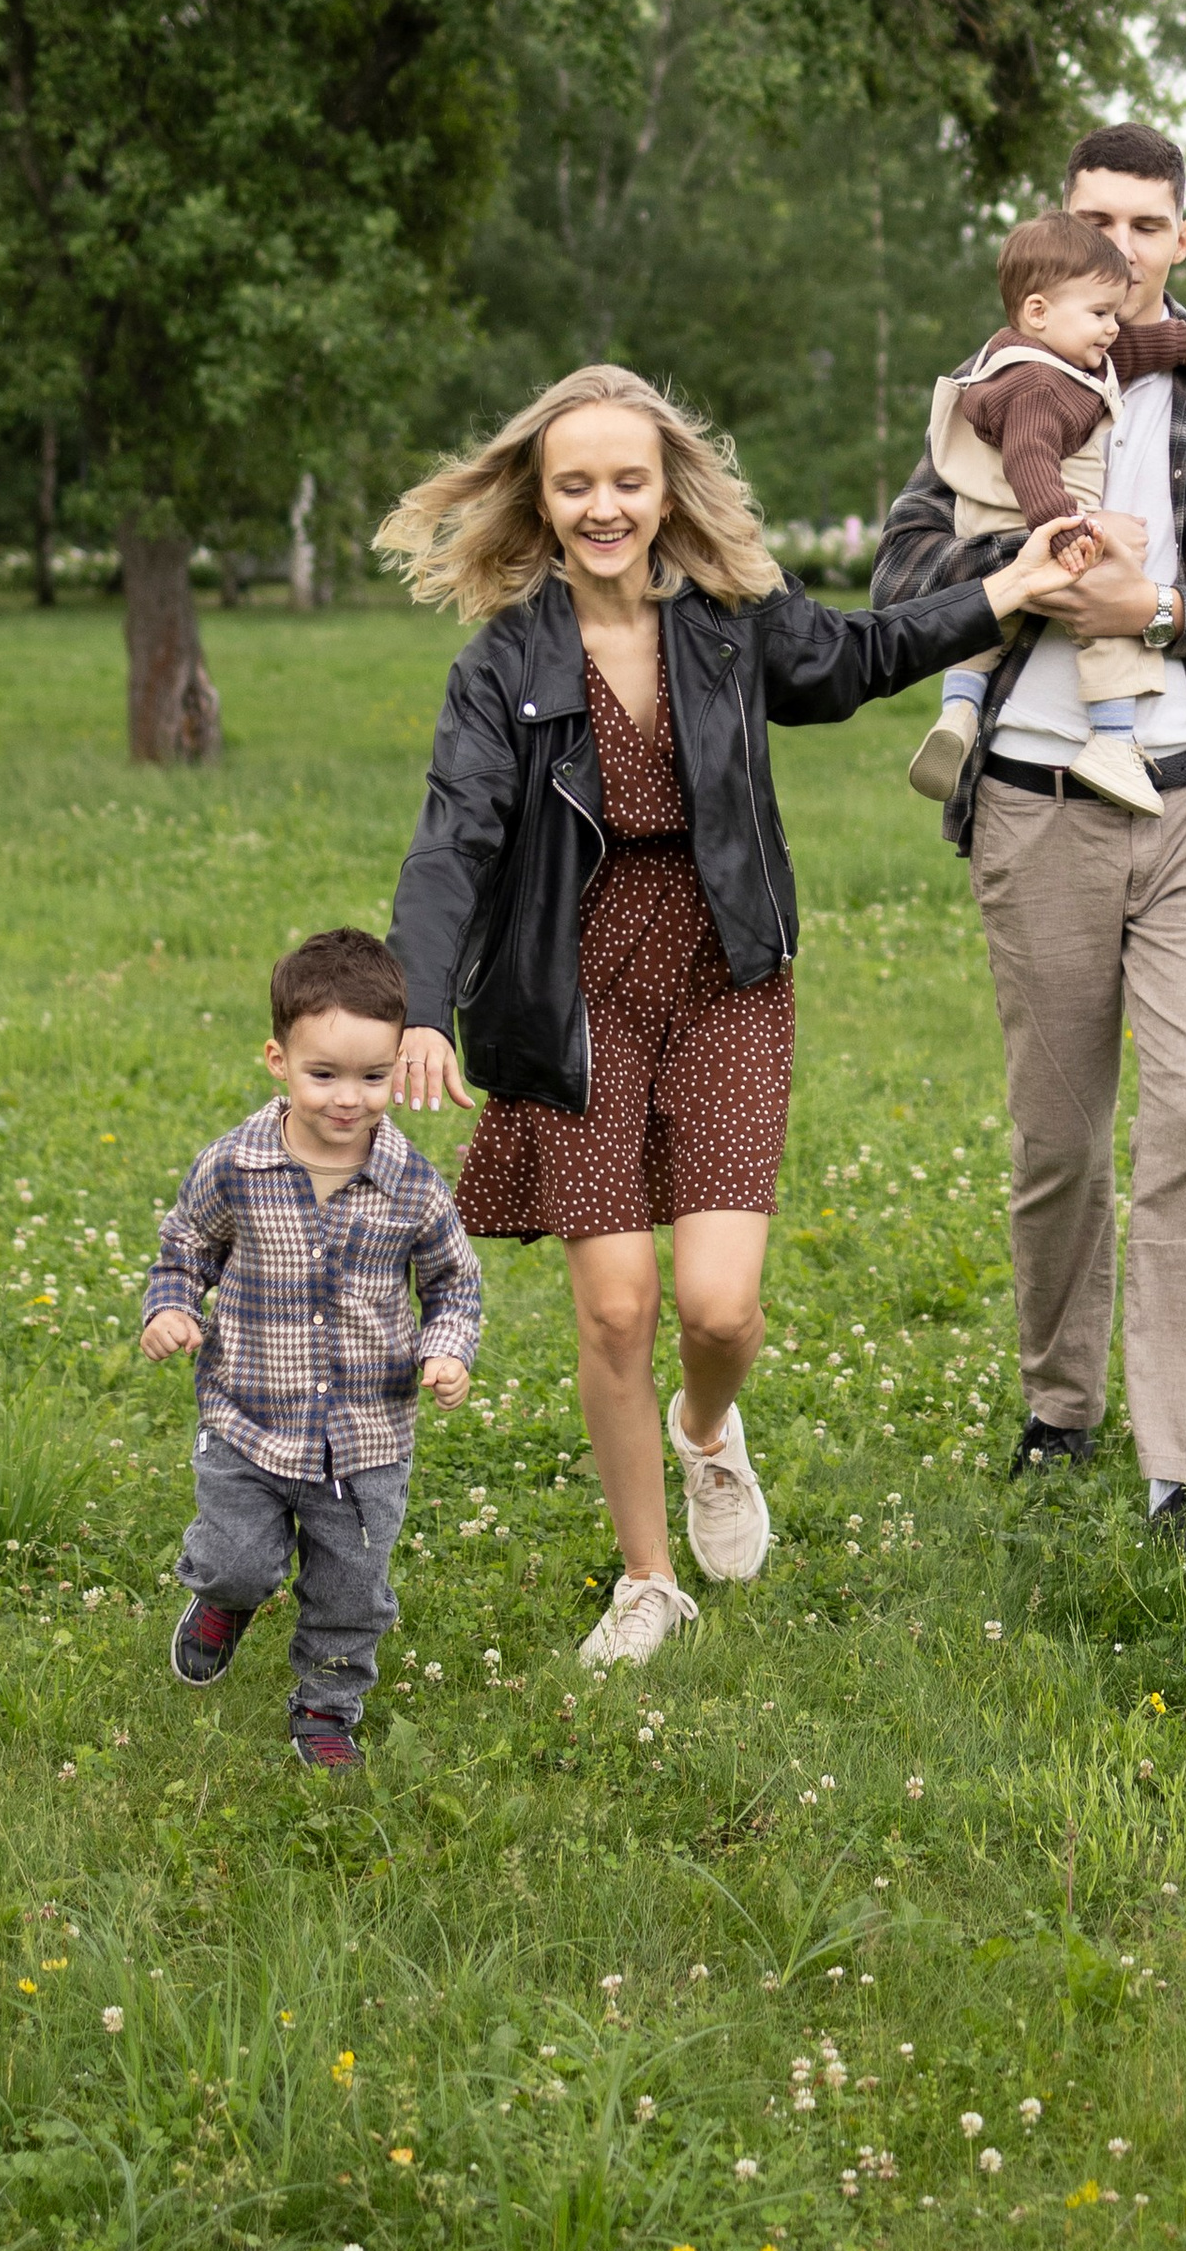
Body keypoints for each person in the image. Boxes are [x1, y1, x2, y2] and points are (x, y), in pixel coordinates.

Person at [381, 361, 1081, 1670]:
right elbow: (450, 843)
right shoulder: (505, 666)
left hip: (725, 982)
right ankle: (648, 1580)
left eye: (626, 482)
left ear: (664, 491)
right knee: (615, 1308)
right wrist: (418, 1004)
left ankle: (709, 1431)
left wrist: (1005, 592)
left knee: (713, 1310)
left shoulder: (728, 617)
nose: (602, 506)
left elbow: (853, 660)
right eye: (575, 484)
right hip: (570, 998)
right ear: (540, 498)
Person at [872, 122, 1186, 1564]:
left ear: (1182, 238)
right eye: (1096, 221)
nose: (1121, 247)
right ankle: (1059, 1411)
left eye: (1147, 224)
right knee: (1060, 1141)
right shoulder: (996, 382)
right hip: (1039, 806)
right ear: (1054, 235)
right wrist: (1029, 576)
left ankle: (1180, 1473)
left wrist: (1161, 614)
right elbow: (899, 574)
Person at [141, 926, 481, 1769]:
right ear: (277, 1060)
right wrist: (171, 1308)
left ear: (400, 1064)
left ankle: (327, 1707)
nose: (346, 1098)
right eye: (322, 1074)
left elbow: (454, 1283)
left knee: (350, 1589)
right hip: (248, 1419)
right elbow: (186, 1250)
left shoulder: (411, 1184)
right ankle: (225, 1599)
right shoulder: (234, 1167)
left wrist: (448, 1349)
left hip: (366, 1439)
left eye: (372, 1077)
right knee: (236, 1558)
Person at [906, 213, 1186, 817]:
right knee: (1112, 616)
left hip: (988, 532)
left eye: (1114, 314)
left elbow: (1128, 351)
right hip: (1042, 521)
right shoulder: (1035, 386)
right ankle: (1112, 743)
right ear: (1038, 312)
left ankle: (959, 709)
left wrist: (1183, 342)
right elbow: (1032, 463)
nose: (1113, 328)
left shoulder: (1042, 351)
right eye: (1100, 315)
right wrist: (1074, 532)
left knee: (989, 622)